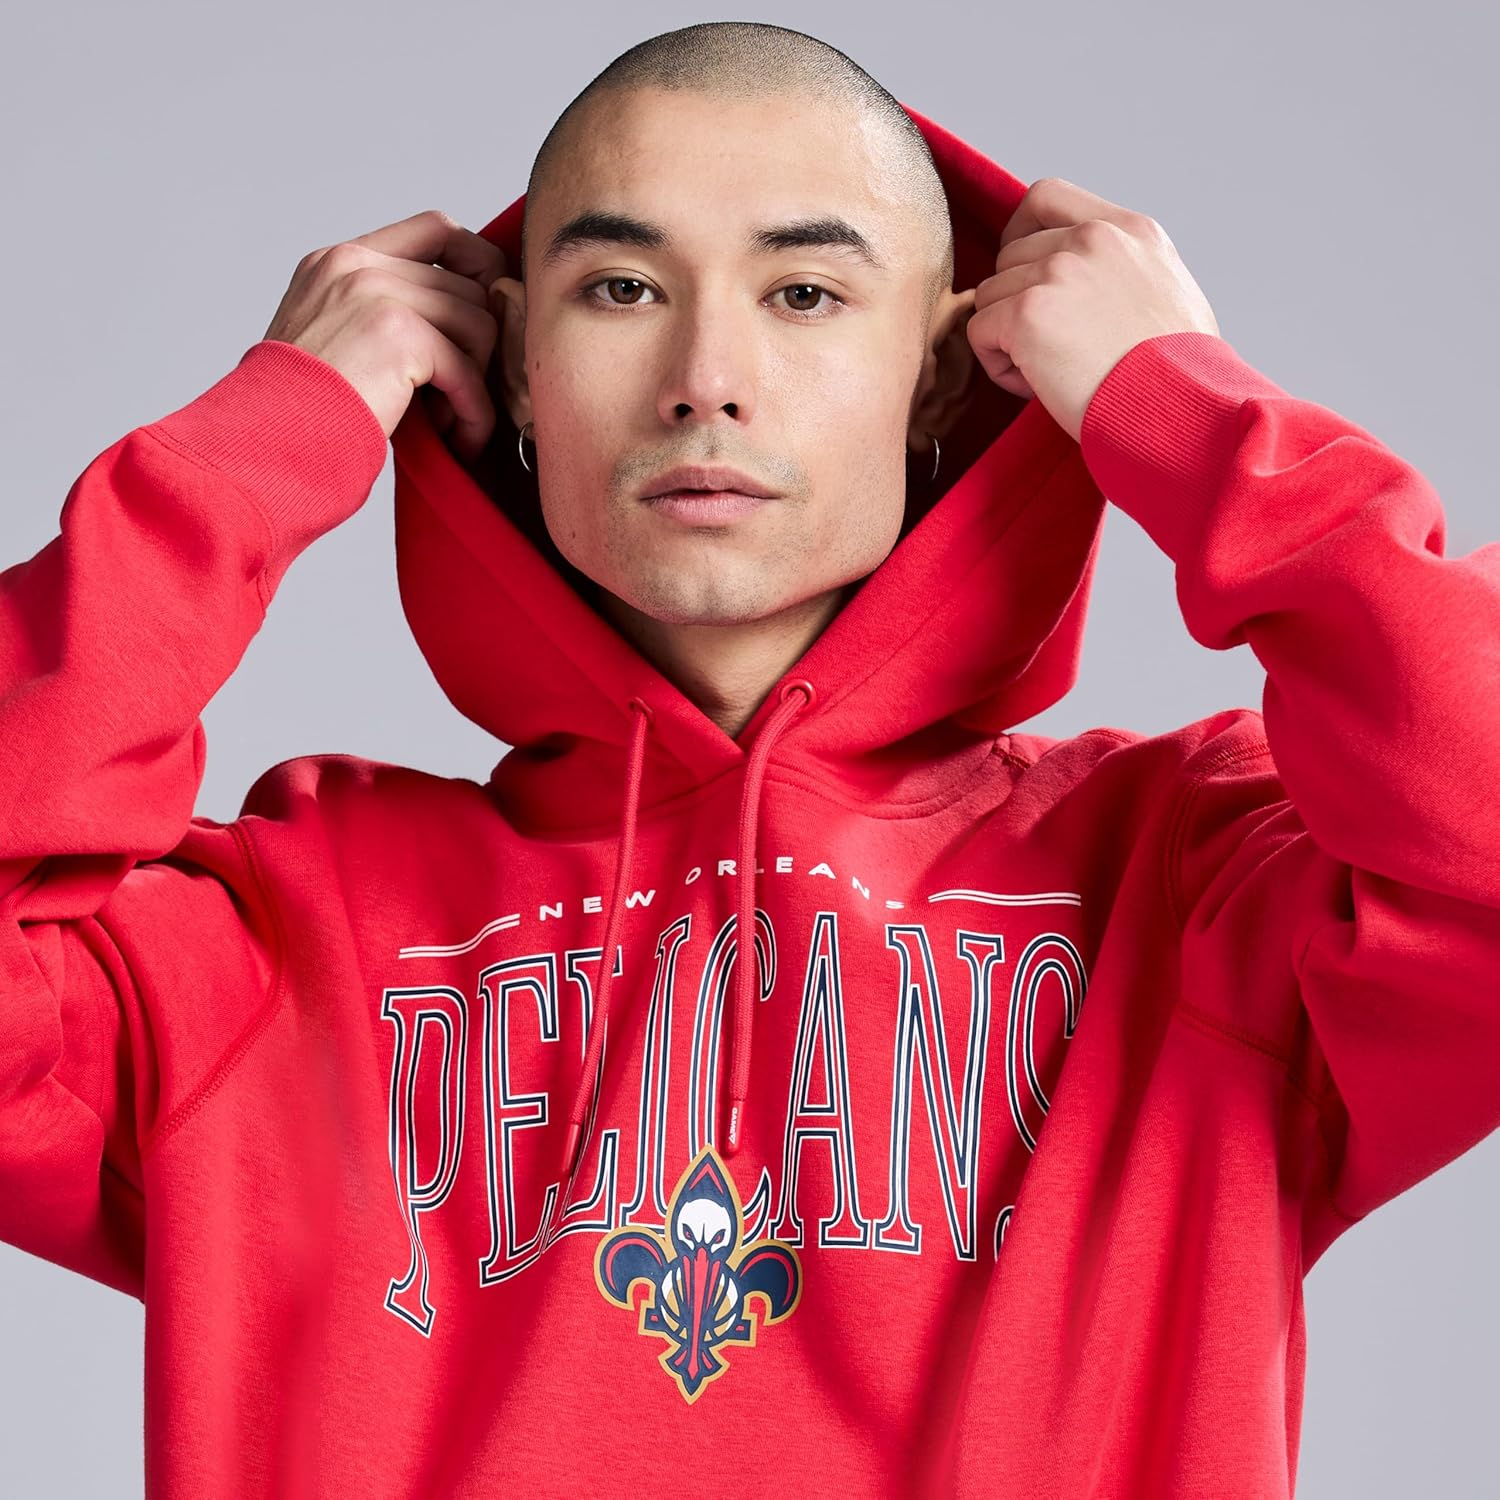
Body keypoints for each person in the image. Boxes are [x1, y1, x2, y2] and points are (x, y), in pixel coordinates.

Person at [1, 17, 1494, 1498]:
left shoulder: (1190, 893)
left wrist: (1184, 404)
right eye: (622, 288)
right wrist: (259, 447)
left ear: (943, 374)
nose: (705, 377)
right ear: (515, 367)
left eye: (804, 292)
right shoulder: (277, 945)